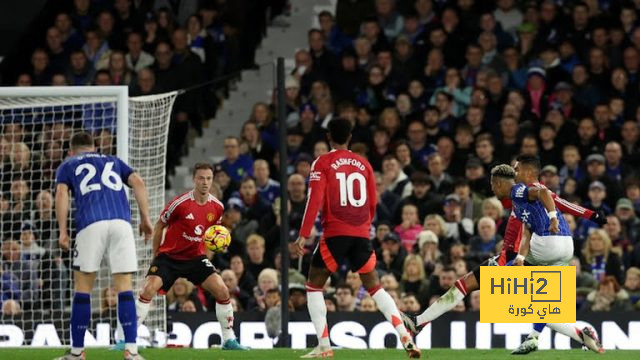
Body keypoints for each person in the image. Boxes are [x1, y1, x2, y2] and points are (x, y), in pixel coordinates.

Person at [295, 118, 420, 358]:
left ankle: (324, 347)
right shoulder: (364, 164)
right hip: (361, 233)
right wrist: (364, 226)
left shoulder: (323, 162)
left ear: (329, 137)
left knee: (313, 285)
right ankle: (405, 335)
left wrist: (303, 233)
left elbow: (315, 199)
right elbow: (373, 202)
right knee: (375, 287)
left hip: (335, 232)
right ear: (350, 137)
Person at [54, 132, 153, 360]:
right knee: (125, 288)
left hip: (91, 223)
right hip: (121, 223)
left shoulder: (68, 164)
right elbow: (138, 181)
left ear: (71, 151)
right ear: (94, 148)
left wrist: (62, 230)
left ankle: (77, 353)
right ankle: (132, 351)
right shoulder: (113, 161)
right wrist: (145, 218)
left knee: (83, 289)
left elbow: (61, 192)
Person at [489, 164, 604, 355]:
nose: (492, 189)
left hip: (548, 241)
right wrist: (520, 257)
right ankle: (538, 336)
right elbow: (526, 232)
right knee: (542, 298)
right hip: (566, 246)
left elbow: (544, 192)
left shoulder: (517, 191)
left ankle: (535, 335)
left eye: (492, 185)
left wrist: (553, 218)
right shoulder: (518, 206)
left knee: (501, 281)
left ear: (499, 183)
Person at [133, 163, 248, 351]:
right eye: (201, 178)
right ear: (194, 179)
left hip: (195, 258)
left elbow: (212, 233)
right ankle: (127, 339)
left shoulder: (217, 207)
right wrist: (157, 254)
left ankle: (229, 340)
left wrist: (210, 252)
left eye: (209, 178)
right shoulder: (180, 203)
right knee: (148, 289)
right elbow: (160, 225)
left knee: (222, 290)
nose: (205, 182)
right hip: (169, 256)